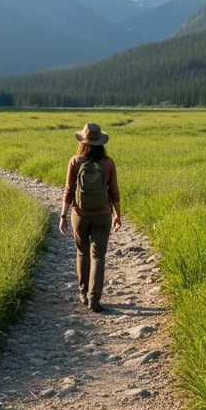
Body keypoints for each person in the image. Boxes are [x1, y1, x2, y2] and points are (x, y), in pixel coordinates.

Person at [59, 123, 121, 313]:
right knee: (98, 257)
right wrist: (118, 214)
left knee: (82, 254)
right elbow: (114, 192)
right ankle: (95, 299)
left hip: (80, 214)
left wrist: (63, 215)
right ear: (100, 142)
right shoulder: (108, 162)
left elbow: (69, 190)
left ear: (83, 141)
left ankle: (83, 293)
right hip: (103, 215)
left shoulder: (75, 161)